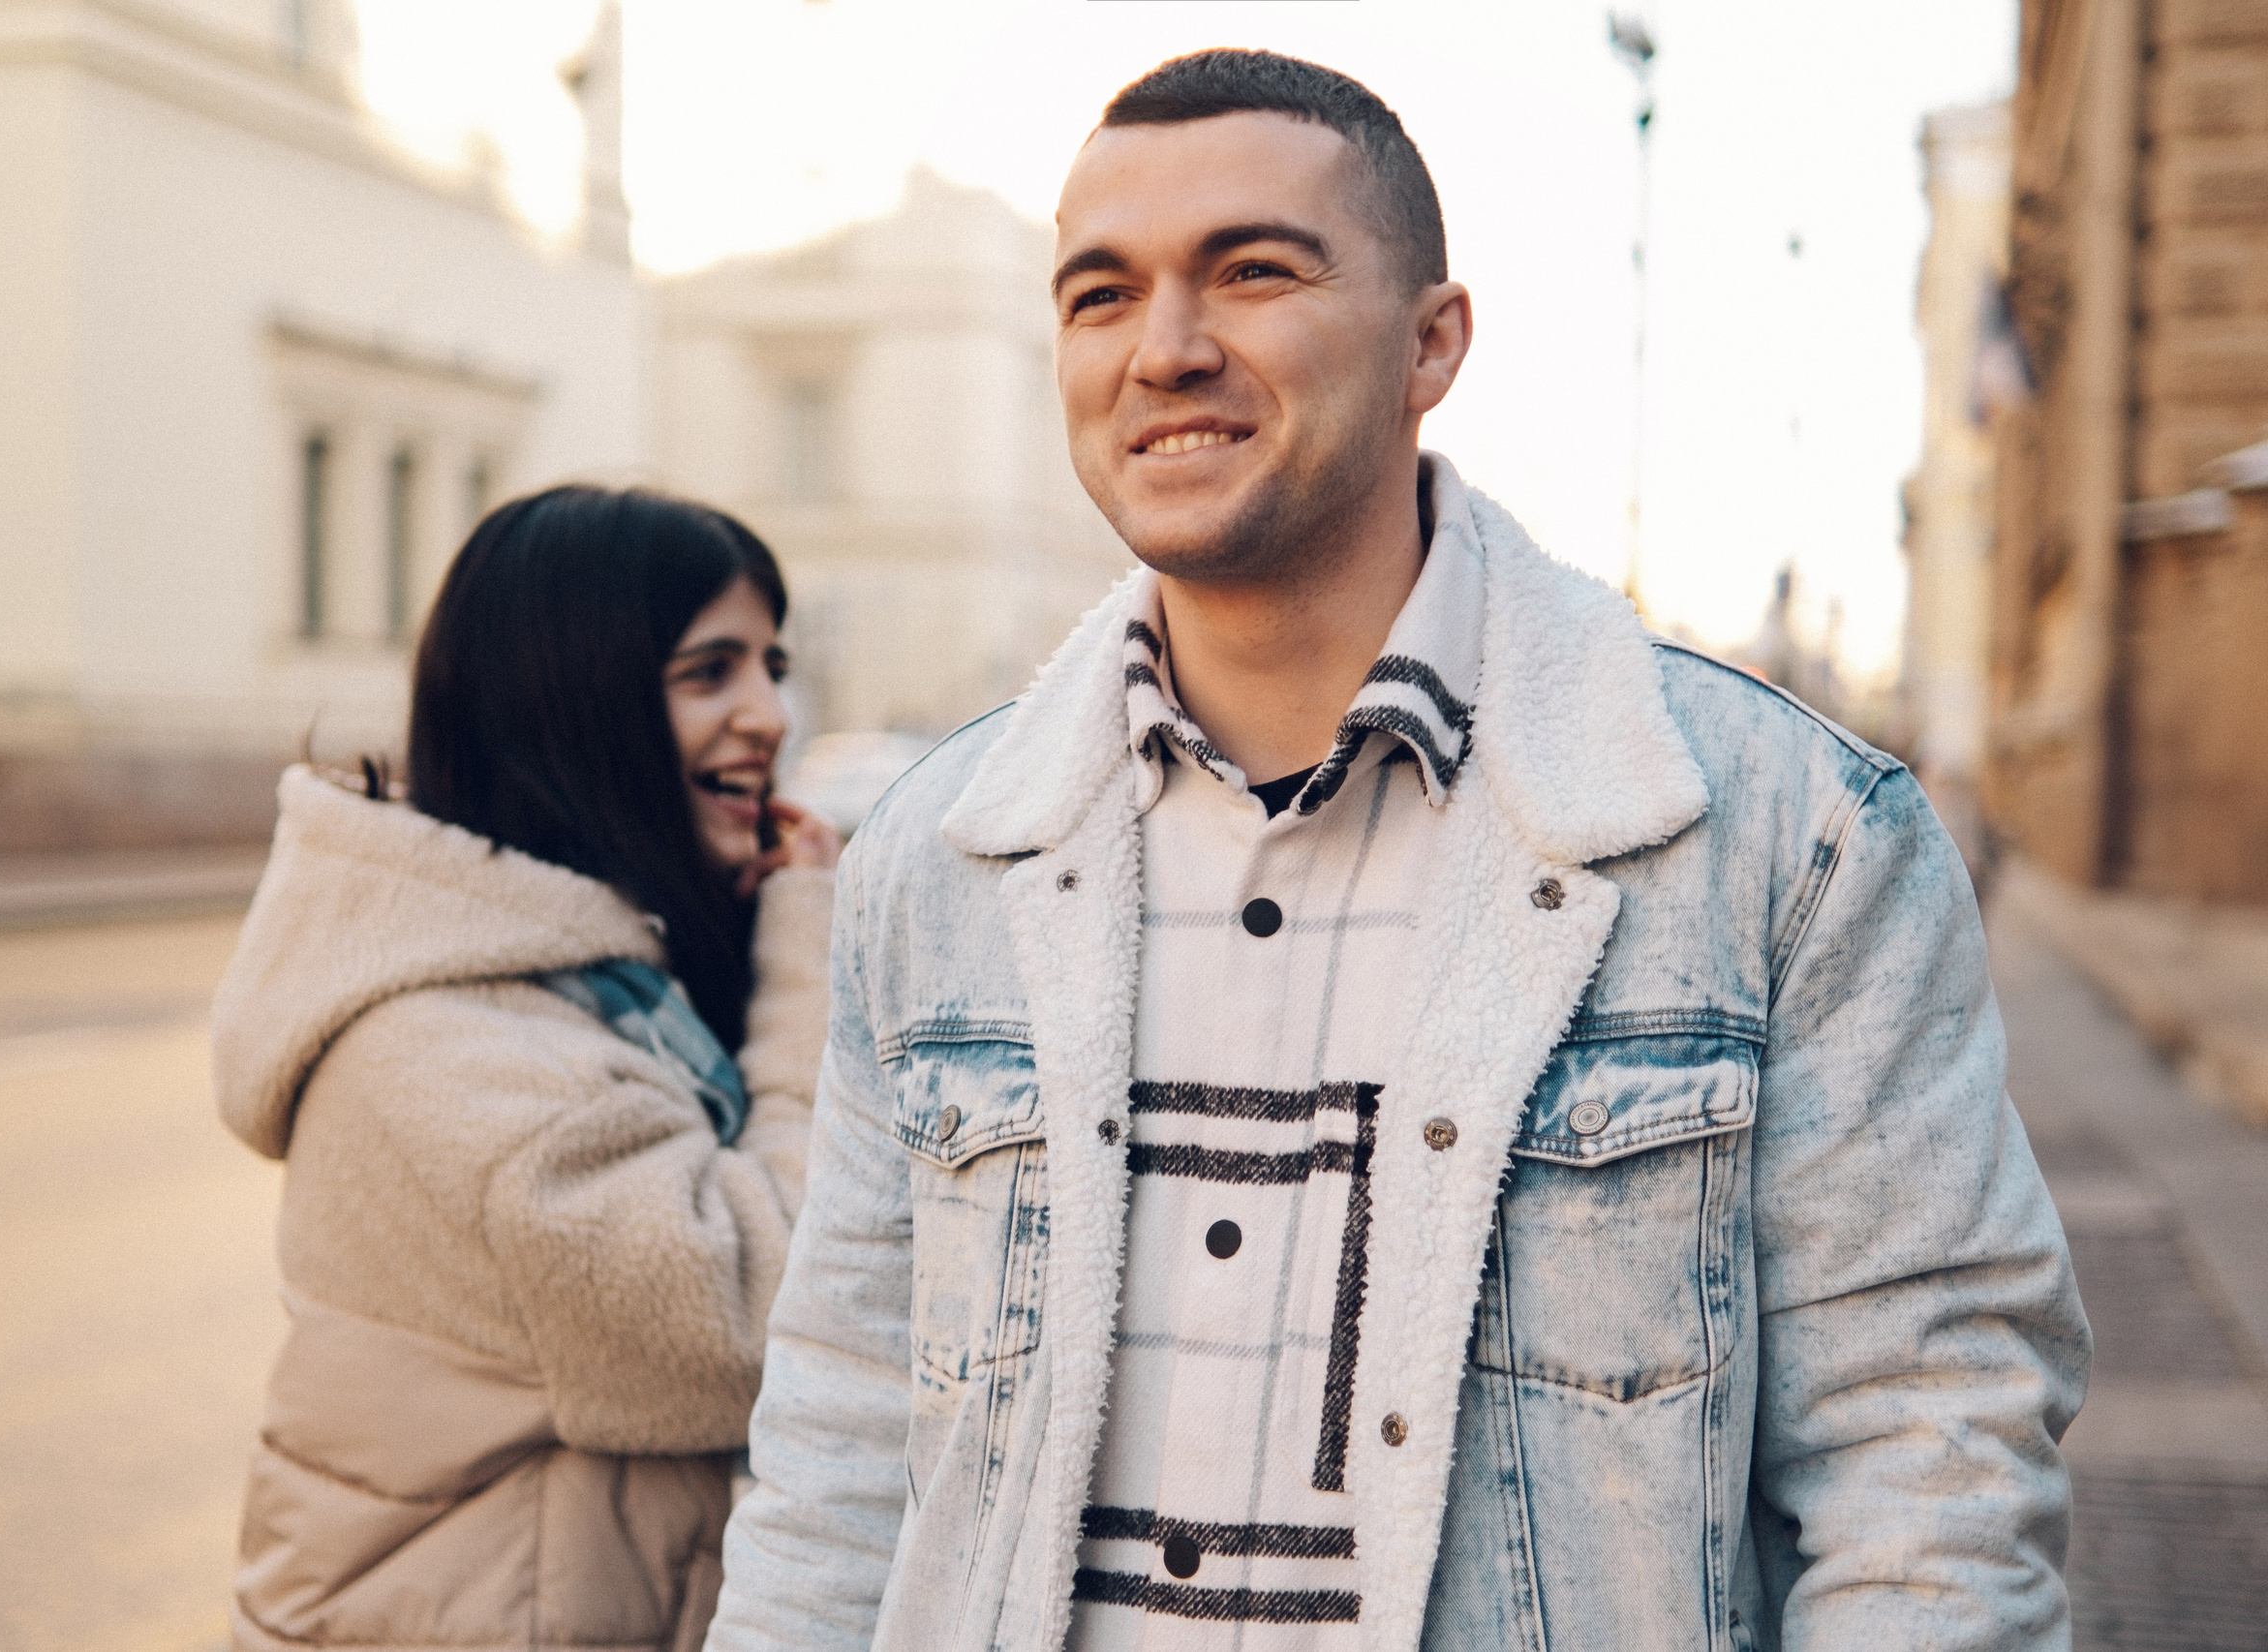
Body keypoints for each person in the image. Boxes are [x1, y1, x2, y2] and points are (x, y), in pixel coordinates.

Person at [707, 49, 2089, 1652]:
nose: (1164, 348)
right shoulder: (941, 864)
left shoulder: (1787, 840)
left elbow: (1927, 1470)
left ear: (1434, 341)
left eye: (1252, 271)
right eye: (1100, 295)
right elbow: (841, 1446)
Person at [213, 485, 839, 1652]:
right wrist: (809, 956)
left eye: (771, 663)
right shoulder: (465, 1058)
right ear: (572, 705)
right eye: (710, 672)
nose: (769, 714)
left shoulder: (564, 970)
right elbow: (769, 1315)